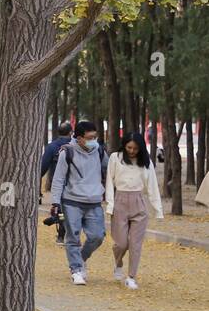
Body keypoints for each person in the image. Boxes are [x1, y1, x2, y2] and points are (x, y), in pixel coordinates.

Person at [49, 120, 108, 285]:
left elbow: (110, 169)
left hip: (94, 200)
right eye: (90, 138)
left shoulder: (100, 151)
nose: (93, 141)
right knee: (73, 237)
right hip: (71, 201)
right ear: (79, 138)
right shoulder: (67, 152)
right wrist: (55, 202)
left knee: (97, 236)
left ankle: (81, 259)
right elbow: (58, 179)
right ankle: (76, 270)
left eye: (95, 137)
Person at [106, 134, 163, 290]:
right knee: (120, 243)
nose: (132, 151)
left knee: (135, 244)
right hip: (120, 201)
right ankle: (118, 263)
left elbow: (152, 185)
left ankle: (131, 277)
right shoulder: (115, 158)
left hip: (139, 202)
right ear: (124, 146)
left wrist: (158, 209)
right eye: (129, 147)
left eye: (135, 148)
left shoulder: (146, 162)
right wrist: (110, 205)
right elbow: (109, 182)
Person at [41, 123, 74, 243]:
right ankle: (62, 231)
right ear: (71, 132)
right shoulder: (75, 146)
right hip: (74, 183)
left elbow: (43, 166)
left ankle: (60, 232)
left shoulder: (51, 147)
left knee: (61, 209)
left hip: (57, 182)